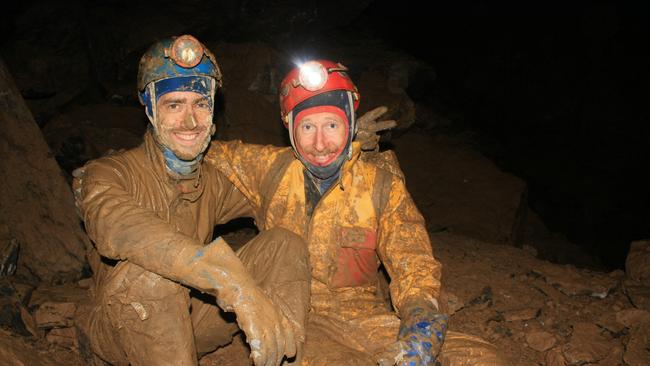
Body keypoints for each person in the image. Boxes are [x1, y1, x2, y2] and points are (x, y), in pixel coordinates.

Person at [206, 60, 507, 365]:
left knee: (482, 358)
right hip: (298, 316)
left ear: (349, 125)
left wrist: (420, 324)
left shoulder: (380, 185)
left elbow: (413, 262)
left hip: (365, 318)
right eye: (308, 127)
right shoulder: (270, 169)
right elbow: (203, 151)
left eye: (332, 125)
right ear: (290, 128)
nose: (320, 143)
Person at [73, 34, 310, 366]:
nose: (190, 121)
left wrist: (337, 147)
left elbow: (277, 187)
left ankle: (285, 355)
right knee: (153, 276)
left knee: (284, 245)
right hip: (121, 326)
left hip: (188, 321)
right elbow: (118, 227)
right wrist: (235, 285)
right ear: (150, 107)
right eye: (174, 105)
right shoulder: (109, 173)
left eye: (200, 104)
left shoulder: (209, 179)